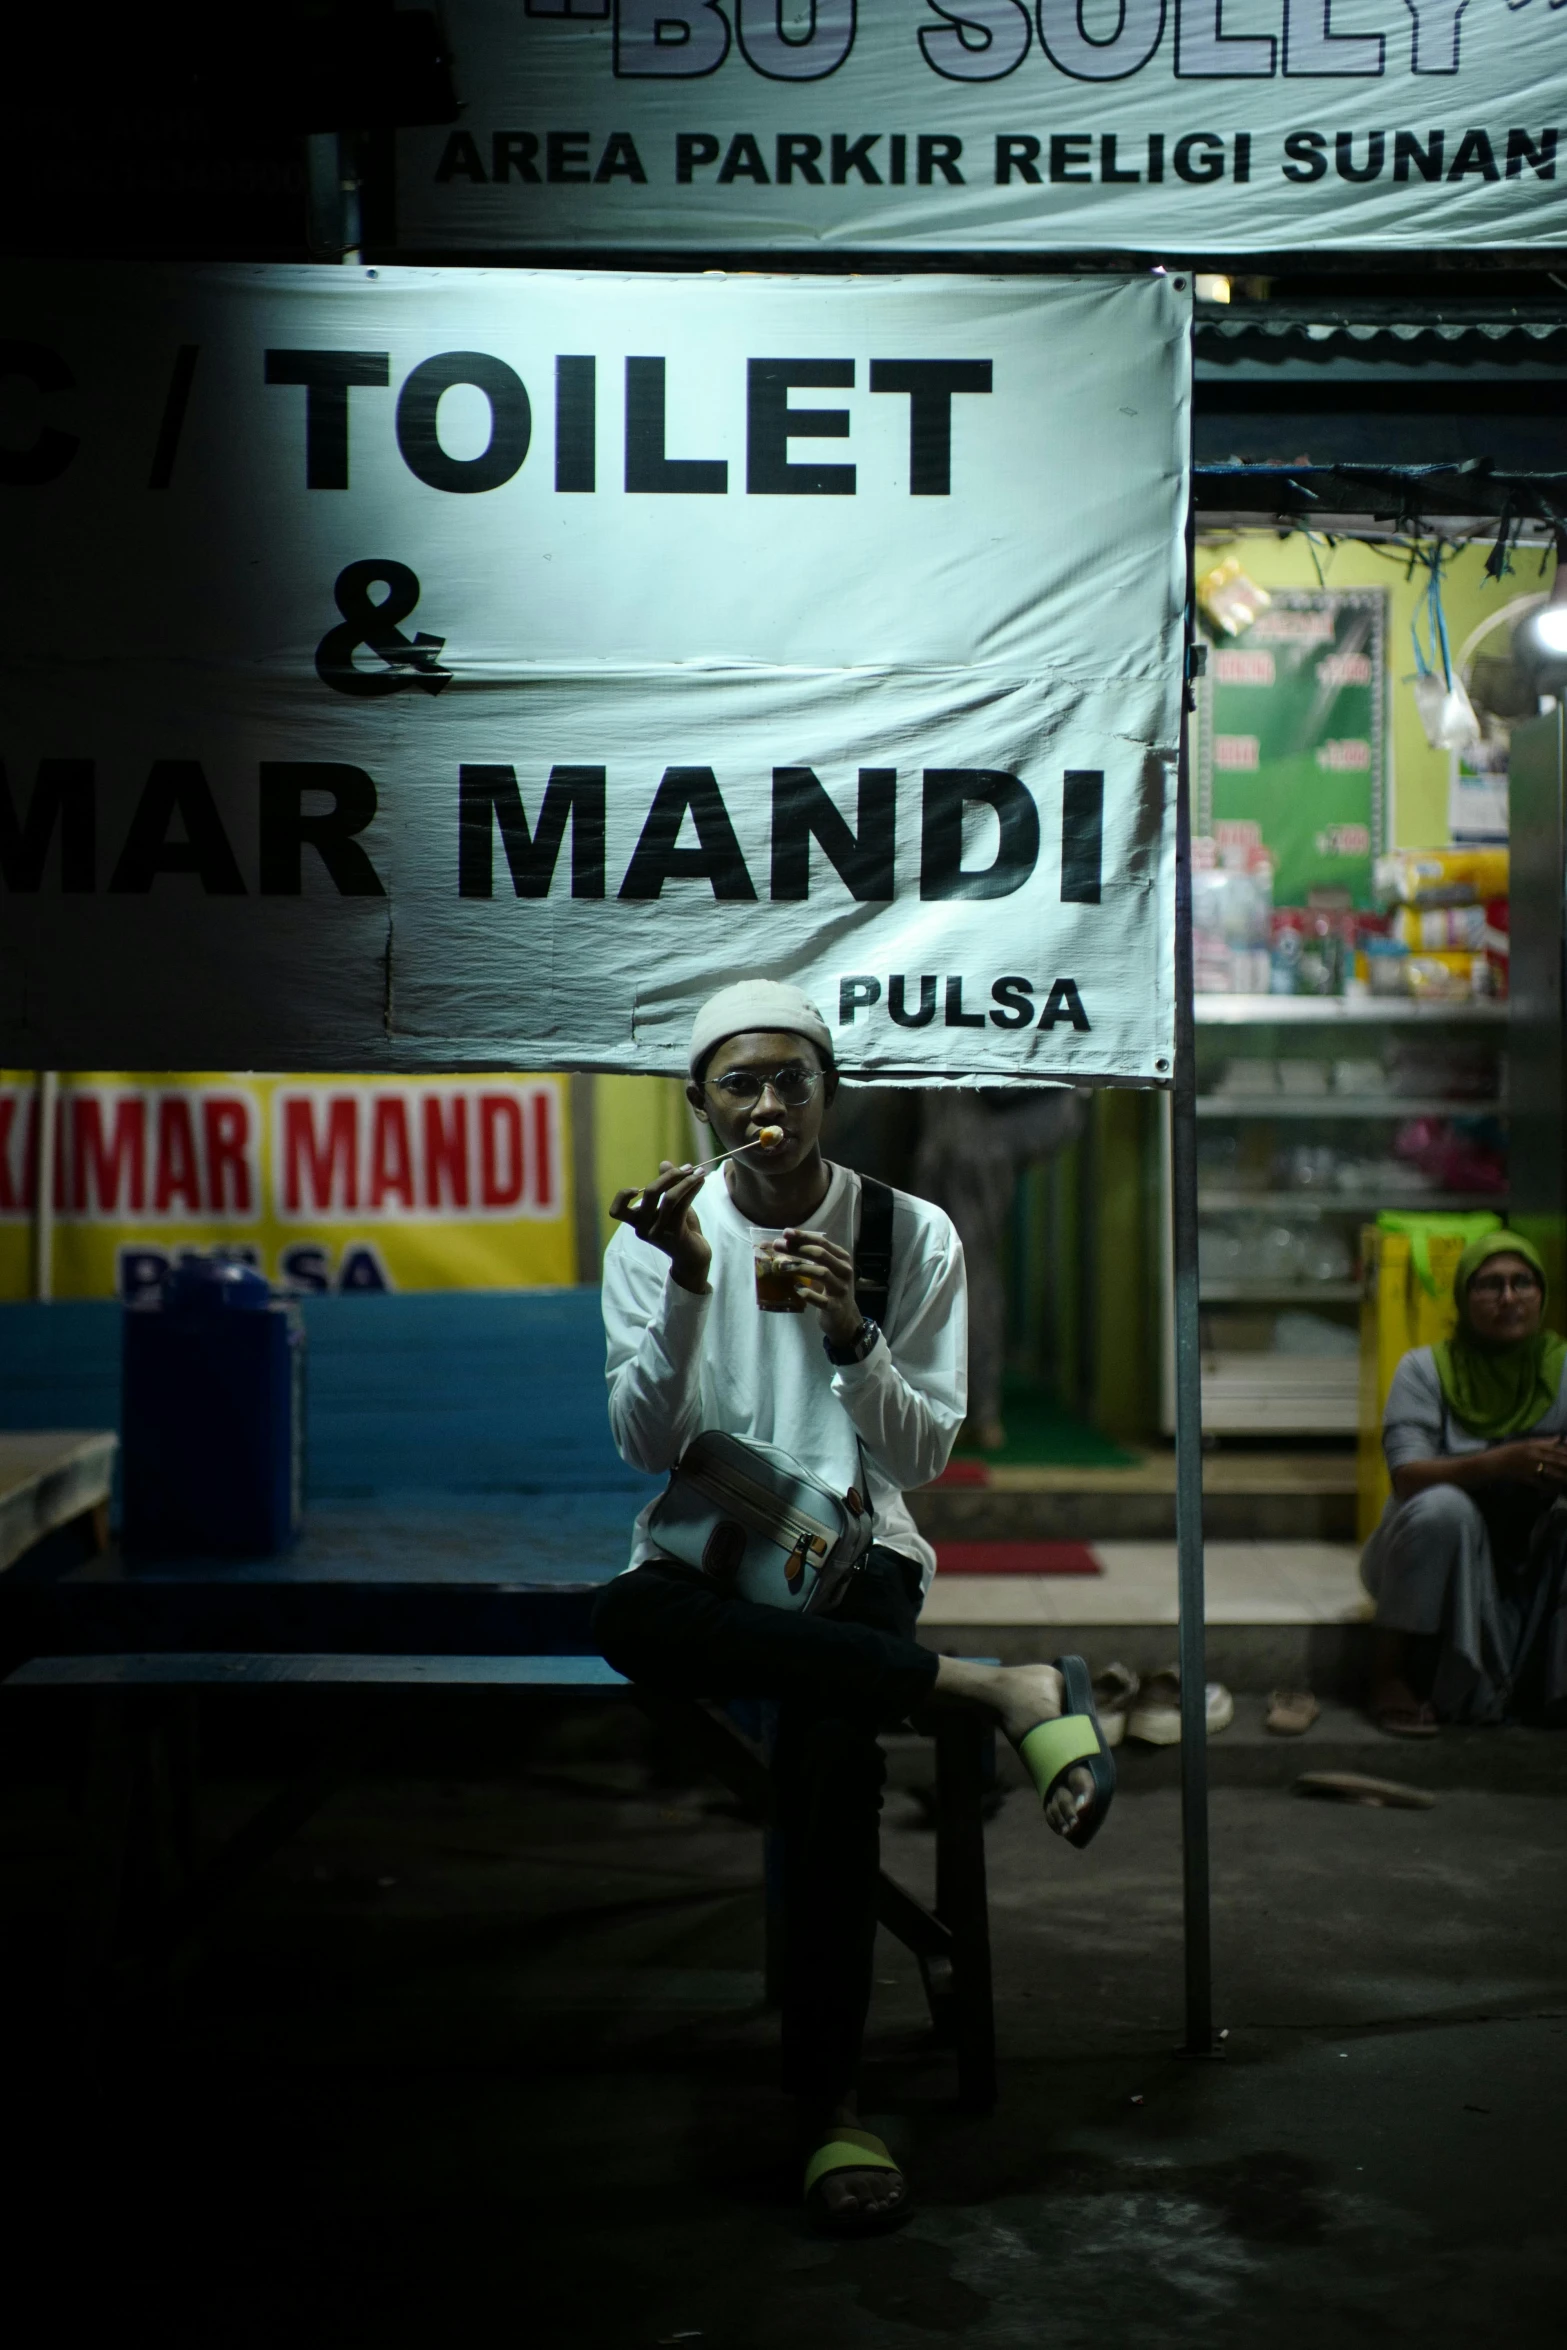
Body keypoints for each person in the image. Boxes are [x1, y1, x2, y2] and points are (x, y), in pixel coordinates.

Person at [592, 978, 1114, 2237]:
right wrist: (679, 1286)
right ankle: (996, 1687)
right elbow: (639, 1441)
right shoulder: (656, 1236)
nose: (769, 1106)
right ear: (699, 1100)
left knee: (829, 1750)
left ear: (831, 1091)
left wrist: (847, 1334)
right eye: (741, 1084)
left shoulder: (906, 1232)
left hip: (856, 1545)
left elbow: (926, 1455)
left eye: (793, 1080)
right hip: (714, 1542)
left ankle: (830, 2104)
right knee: (623, 1618)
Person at [1361, 1229, 1567, 1734]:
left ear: (1542, 1294)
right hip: (1422, 1550)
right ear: (1463, 1297)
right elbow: (1408, 1478)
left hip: (1529, 1554)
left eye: (1523, 1283)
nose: (1508, 1298)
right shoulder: (1426, 1370)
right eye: (1489, 1285)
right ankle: (1387, 1673)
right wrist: (1503, 1461)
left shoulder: (1563, 1371)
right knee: (1444, 1508)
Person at [911, 1087, 1087, 1451]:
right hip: (965, 1140)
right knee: (962, 1274)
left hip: (959, 1139)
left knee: (953, 1273)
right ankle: (971, 1412)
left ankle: (964, 1411)